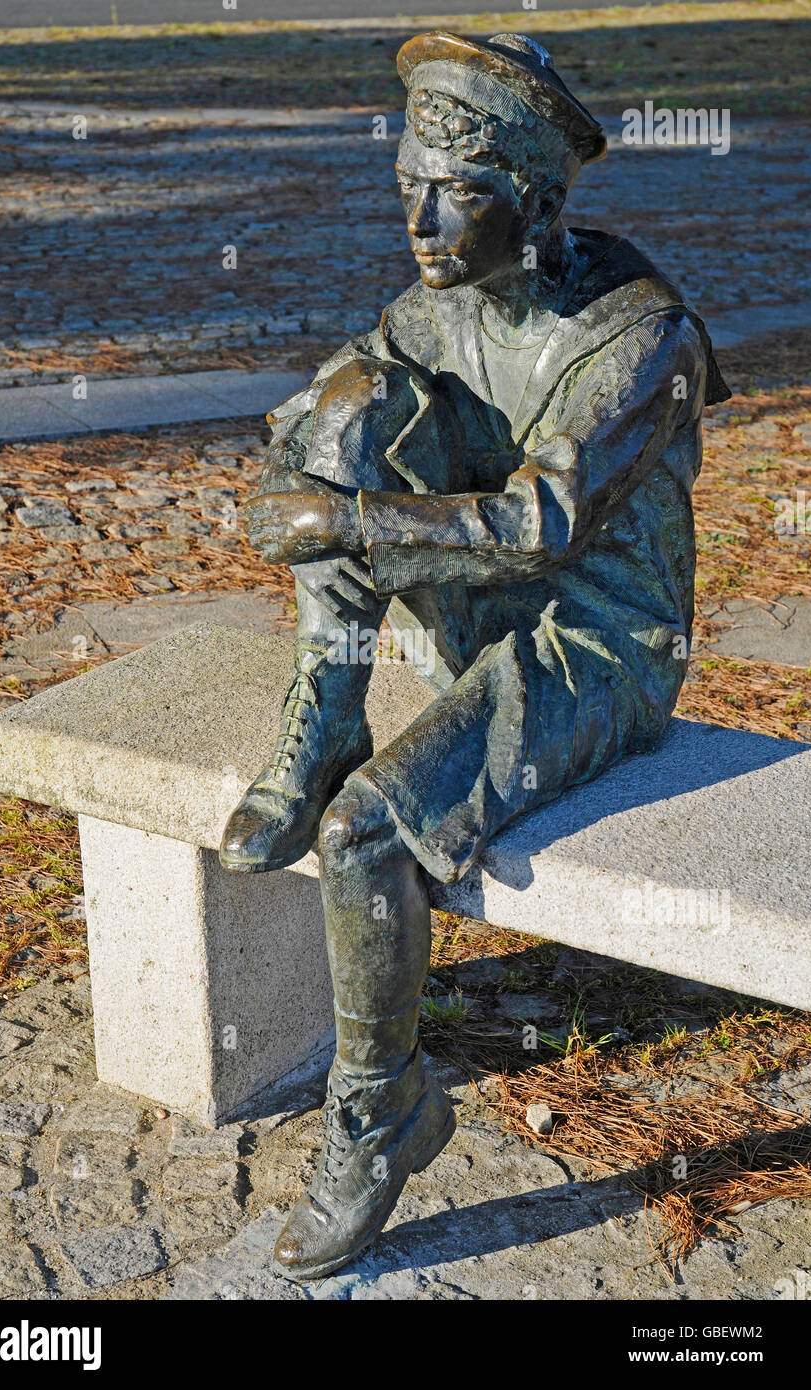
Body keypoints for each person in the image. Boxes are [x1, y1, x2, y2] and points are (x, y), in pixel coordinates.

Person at [219, 30, 730, 1280]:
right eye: (408, 188)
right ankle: (324, 713)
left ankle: (378, 1111)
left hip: (594, 643)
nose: (425, 222)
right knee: (349, 415)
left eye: (461, 194)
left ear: (542, 202)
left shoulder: (634, 335)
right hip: (480, 609)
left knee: (362, 836)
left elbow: (540, 523)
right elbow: (330, 425)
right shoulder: (431, 308)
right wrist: (304, 467)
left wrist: (341, 522)